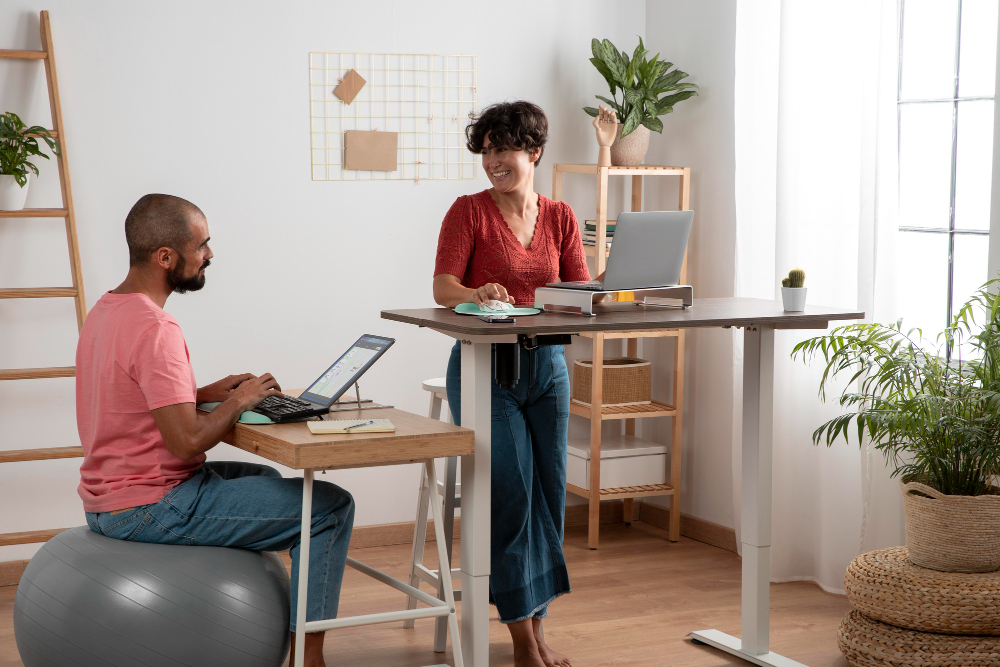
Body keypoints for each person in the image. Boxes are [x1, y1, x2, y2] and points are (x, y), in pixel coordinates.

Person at [76, 194, 353, 667]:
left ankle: (275, 613)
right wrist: (242, 400)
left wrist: (204, 392)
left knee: (267, 484)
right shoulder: (156, 327)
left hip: (107, 497)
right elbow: (186, 441)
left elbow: (130, 394)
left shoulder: (107, 310)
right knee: (328, 507)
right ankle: (310, 660)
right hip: (151, 506)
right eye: (202, 245)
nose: (210, 255)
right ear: (166, 258)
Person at [432, 101, 588, 667]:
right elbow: (443, 287)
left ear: (534, 151)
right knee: (513, 497)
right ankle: (522, 642)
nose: (494, 160)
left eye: (505, 148)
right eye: (488, 150)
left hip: (548, 369)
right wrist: (476, 293)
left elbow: (579, 291)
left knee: (551, 495)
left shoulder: (563, 216)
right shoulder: (467, 212)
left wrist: (612, 291)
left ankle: (538, 632)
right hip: (486, 371)